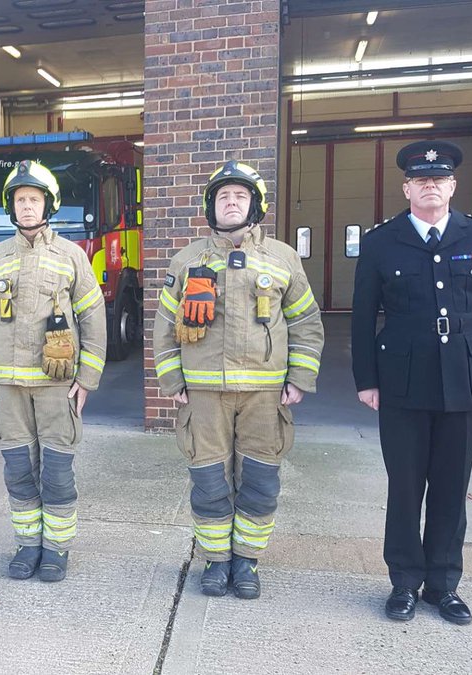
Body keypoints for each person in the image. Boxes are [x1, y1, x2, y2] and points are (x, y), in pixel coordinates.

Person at [351, 140, 472, 625]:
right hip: (401, 380)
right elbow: (362, 316)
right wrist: (366, 380)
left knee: (451, 487)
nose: (430, 187)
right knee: (405, 487)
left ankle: (443, 585)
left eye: (439, 180)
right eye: (421, 180)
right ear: (407, 189)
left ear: (453, 186)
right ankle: (404, 582)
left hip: (464, 378)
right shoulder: (382, 241)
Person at [151, 161, 323, 599]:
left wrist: (300, 377)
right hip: (204, 394)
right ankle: (216, 560)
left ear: (255, 206)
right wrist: (173, 381)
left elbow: (305, 322)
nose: (231, 202)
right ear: (211, 206)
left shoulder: (282, 258)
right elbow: (164, 325)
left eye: (240, 196)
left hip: (265, 394)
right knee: (209, 480)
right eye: (224, 196)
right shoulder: (187, 260)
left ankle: (246, 561)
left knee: (261, 481)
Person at [0, 160, 107, 582]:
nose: (27, 206)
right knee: (18, 471)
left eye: (34, 199)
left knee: (57, 473)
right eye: (20, 200)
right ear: (10, 207)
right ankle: (27, 545)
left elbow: (94, 318)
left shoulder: (71, 256)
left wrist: (86, 379)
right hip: (9, 389)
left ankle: (56, 549)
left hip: (56, 388)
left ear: (49, 205)